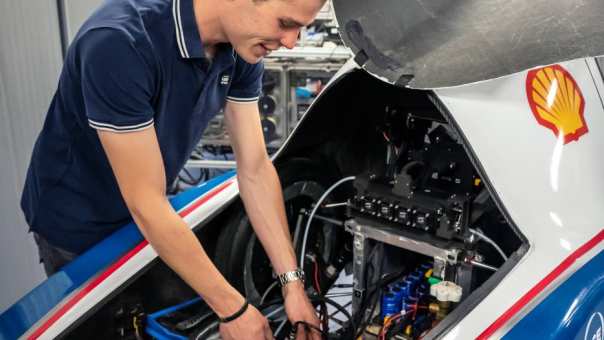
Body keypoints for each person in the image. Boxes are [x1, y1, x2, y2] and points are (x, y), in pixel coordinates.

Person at [20, 0, 326, 338]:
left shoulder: (242, 45)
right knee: (103, 328)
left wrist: (292, 285)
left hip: (149, 208)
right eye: (285, 23)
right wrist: (233, 310)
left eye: (301, 28)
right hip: (78, 221)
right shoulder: (119, 42)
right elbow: (146, 203)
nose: (291, 41)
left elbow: (254, 167)